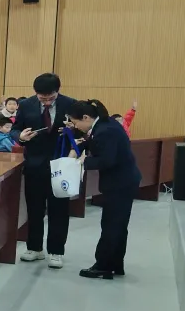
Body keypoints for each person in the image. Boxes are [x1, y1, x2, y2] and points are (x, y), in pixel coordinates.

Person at [67, 100, 141, 279]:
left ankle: (103, 266)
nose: (76, 126)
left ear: (86, 117)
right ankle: (115, 264)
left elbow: (106, 160)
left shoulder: (105, 131)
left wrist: (83, 161)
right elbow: (93, 142)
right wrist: (80, 146)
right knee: (118, 225)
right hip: (124, 181)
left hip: (119, 183)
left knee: (111, 225)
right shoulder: (105, 124)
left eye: (75, 122)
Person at [15, 73, 78, 269]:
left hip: (61, 164)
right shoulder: (26, 105)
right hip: (34, 165)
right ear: (36, 93)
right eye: (43, 99)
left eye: (51, 98)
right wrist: (21, 137)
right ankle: (34, 248)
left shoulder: (71, 104)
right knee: (34, 209)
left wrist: (73, 129)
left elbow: (83, 131)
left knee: (59, 210)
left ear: (57, 91)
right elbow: (15, 130)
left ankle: (56, 251)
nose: (47, 102)